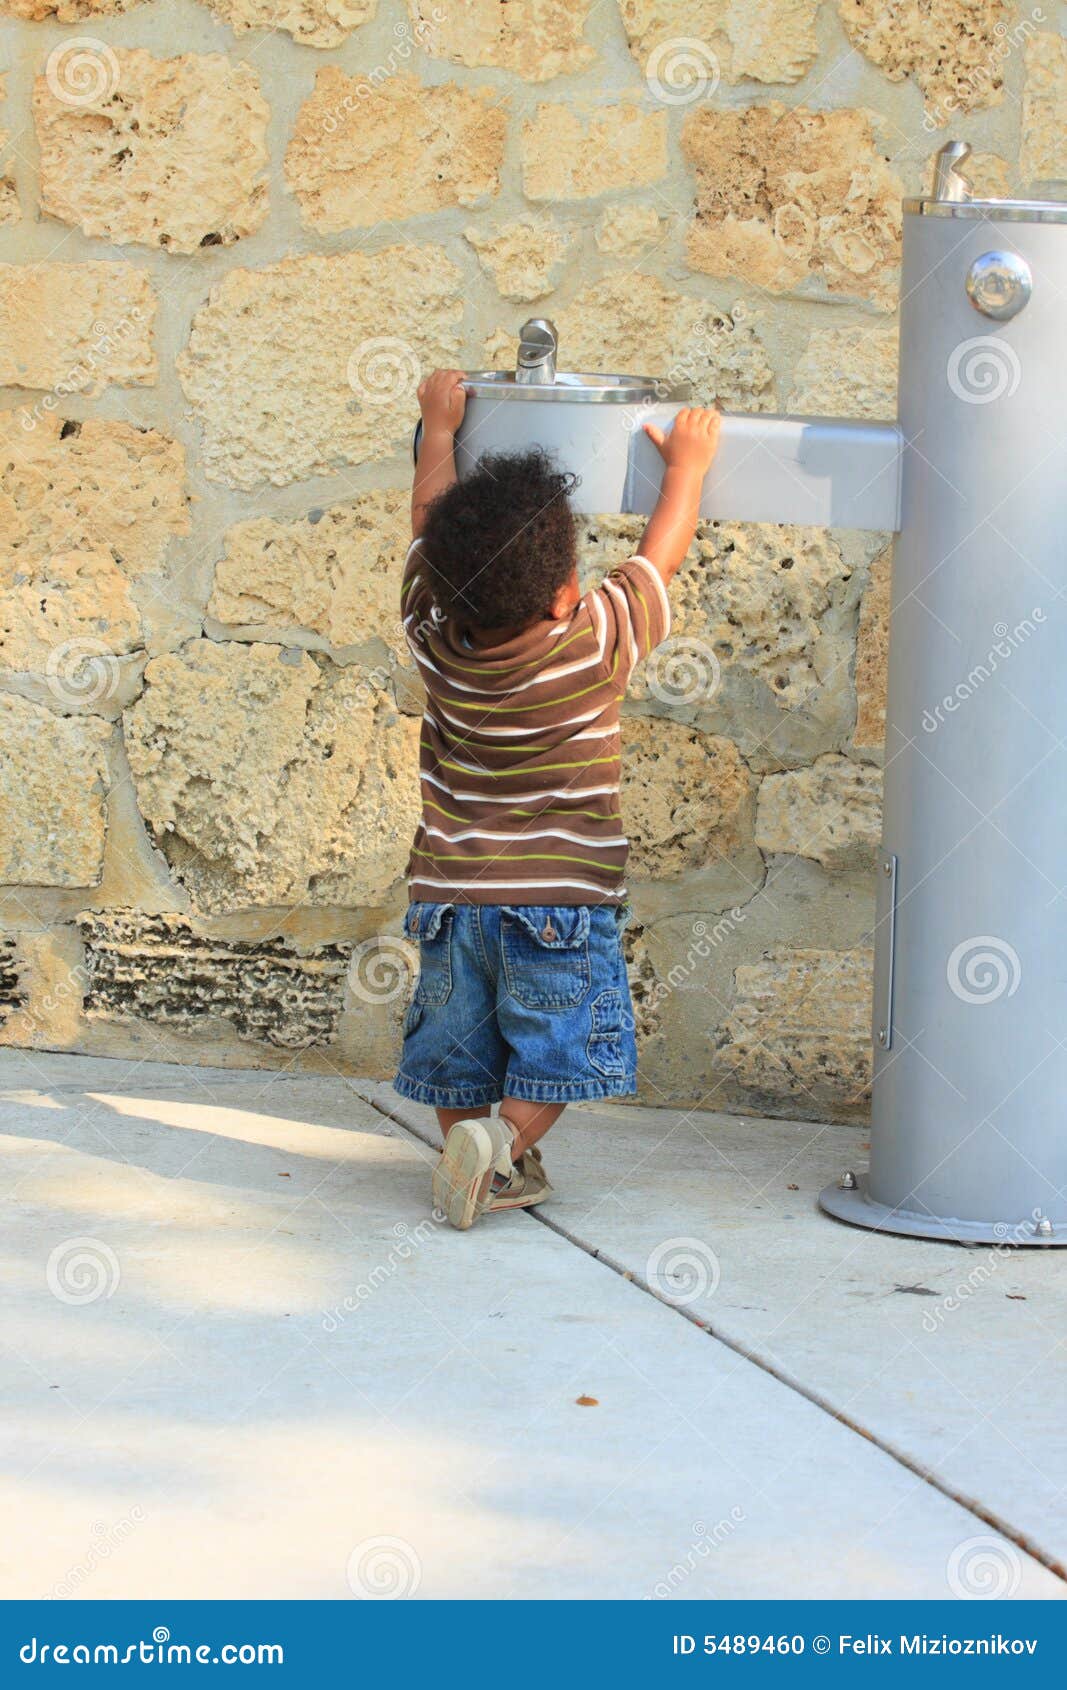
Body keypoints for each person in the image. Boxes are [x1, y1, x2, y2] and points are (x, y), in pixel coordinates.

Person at [394, 368, 722, 1229]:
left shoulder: (433, 639)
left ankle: (476, 1148)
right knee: (553, 1057)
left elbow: (428, 524)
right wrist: (686, 468)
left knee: (457, 1055)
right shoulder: (592, 647)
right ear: (566, 592)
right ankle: (503, 1141)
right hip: (560, 906)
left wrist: (438, 433)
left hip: (452, 901)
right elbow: (659, 557)